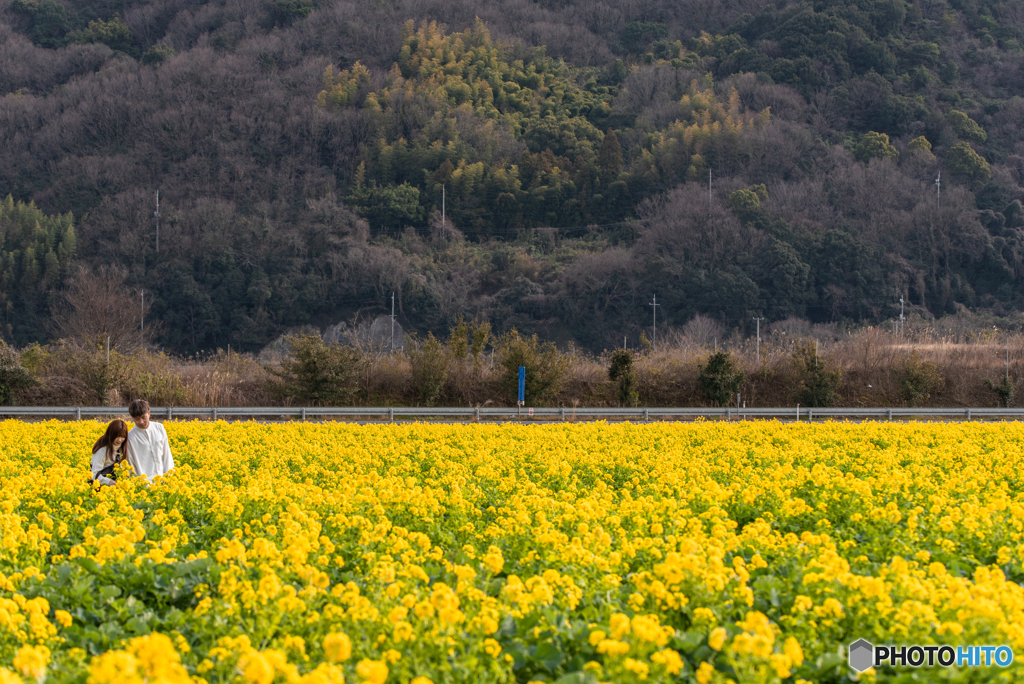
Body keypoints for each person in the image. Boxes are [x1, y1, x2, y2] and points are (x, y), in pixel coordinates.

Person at [126, 399, 175, 482]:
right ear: (132, 418)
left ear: (149, 413)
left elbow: (166, 453)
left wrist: (169, 476)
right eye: (137, 419)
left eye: (143, 417)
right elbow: (131, 465)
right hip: (145, 484)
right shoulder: (130, 438)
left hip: (164, 480)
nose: (141, 422)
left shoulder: (159, 428)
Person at [91, 419, 134, 486]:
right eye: (117, 436)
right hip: (100, 487)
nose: (119, 440)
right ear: (111, 434)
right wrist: (108, 481)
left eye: (122, 437)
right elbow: (93, 474)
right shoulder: (102, 450)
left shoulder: (120, 447)